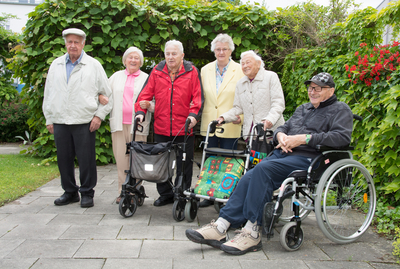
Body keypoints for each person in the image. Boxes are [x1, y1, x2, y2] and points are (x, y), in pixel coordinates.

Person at [185, 72, 353, 255]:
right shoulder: (303, 108)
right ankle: (221, 225)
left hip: (310, 158)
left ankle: (252, 232)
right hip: (284, 153)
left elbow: (342, 137)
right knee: (249, 175)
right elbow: (284, 126)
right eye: (310, 88)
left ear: (331, 91)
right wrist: (280, 135)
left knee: (263, 169)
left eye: (317, 88)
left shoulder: (340, 109)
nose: (312, 92)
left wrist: (304, 139)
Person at [42, 28, 113, 208]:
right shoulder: (56, 65)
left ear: (83, 44)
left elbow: (107, 95)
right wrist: (49, 118)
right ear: (65, 44)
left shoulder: (93, 65)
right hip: (60, 120)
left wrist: (98, 116)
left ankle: (87, 193)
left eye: (76, 42)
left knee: (86, 159)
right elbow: (48, 93)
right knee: (63, 159)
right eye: (69, 42)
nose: (72, 45)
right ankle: (70, 192)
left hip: (84, 121)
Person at [135, 40, 204, 207]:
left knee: (184, 164)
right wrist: (140, 113)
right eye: (168, 54)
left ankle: (183, 194)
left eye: (174, 54)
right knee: (162, 162)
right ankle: (166, 194)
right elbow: (144, 94)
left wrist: (194, 115)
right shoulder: (157, 71)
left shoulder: (191, 71)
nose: (170, 57)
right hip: (162, 126)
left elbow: (198, 97)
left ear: (182, 55)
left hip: (184, 127)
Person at [98, 47, 151, 204]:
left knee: (137, 160)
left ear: (141, 61)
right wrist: (100, 97)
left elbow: (155, 102)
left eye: (136, 58)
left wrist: (149, 105)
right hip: (119, 124)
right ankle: (123, 192)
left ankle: (135, 191)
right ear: (125, 60)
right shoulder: (115, 77)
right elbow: (104, 93)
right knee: (121, 159)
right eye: (130, 57)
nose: (133, 60)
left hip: (139, 126)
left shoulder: (147, 78)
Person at [198, 34, 245, 208]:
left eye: (224, 49)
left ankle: (226, 195)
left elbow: (247, 97)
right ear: (213, 51)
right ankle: (207, 194)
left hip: (230, 123)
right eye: (218, 49)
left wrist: (242, 118)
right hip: (209, 124)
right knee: (209, 159)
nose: (221, 52)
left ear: (231, 50)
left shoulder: (240, 69)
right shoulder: (205, 70)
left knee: (228, 162)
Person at [218, 50, 285, 139]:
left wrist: (270, 119)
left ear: (258, 63)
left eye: (248, 62)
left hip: (271, 133)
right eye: (242, 64)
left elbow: (278, 104)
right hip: (250, 134)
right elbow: (238, 108)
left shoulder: (271, 77)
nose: (245, 66)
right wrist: (224, 117)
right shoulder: (240, 83)